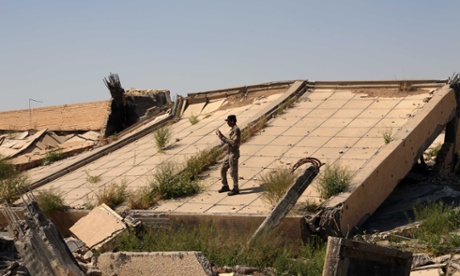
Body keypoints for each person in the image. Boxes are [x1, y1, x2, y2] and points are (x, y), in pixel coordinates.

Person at [216, 114, 241, 196]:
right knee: (223, 169)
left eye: (228, 121)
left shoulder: (236, 130)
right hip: (229, 153)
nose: (227, 123)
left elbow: (234, 142)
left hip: (234, 154)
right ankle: (225, 185)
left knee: (233, 171)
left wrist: (222, 137)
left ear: (232, 121)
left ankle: (236, 188)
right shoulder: (232, 130)